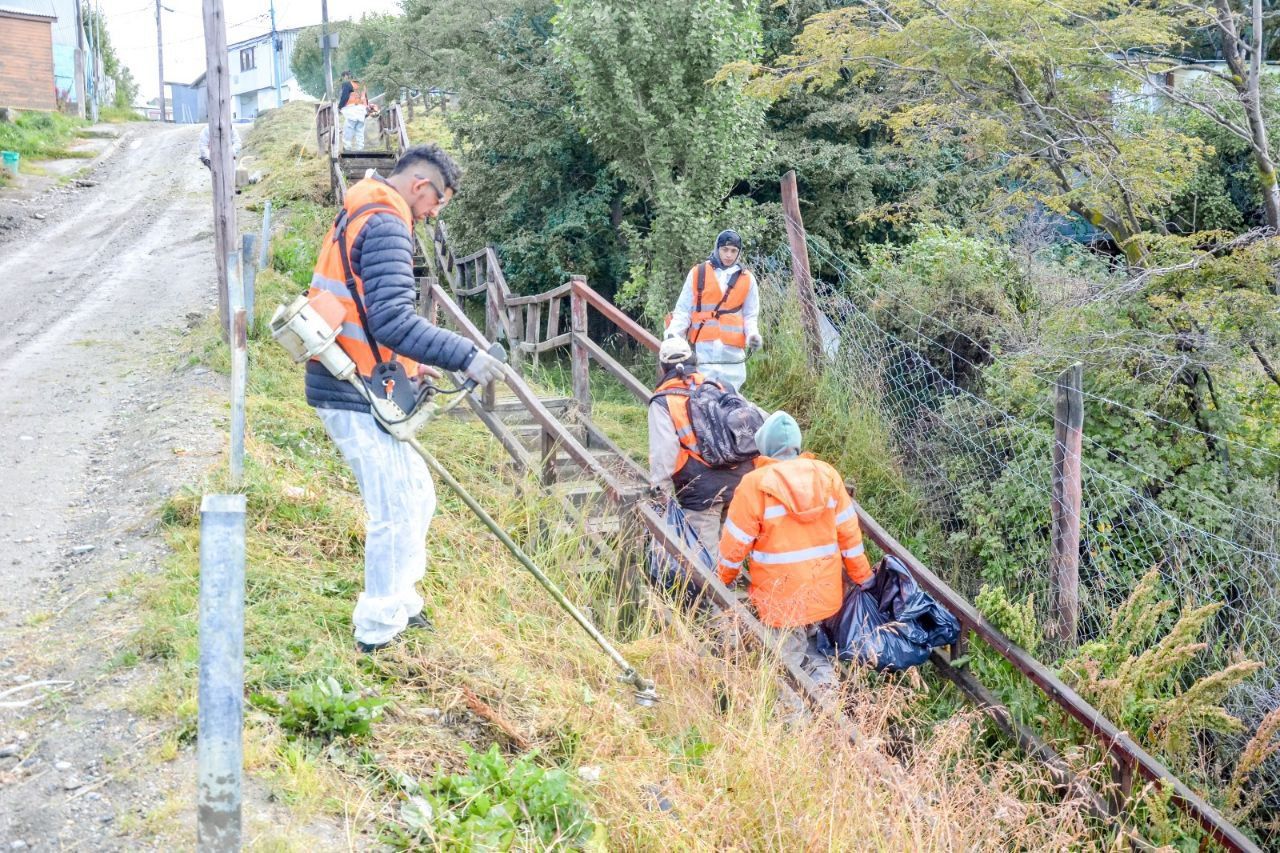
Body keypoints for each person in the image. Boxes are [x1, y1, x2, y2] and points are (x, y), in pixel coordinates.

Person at [305, 144, 505, 653]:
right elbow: (393, 319)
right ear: (420, 185)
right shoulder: (389, 224)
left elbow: (376, 315)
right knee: (394, 507)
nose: (436, 212)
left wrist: (420, 363)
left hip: (359, 374)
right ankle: (378, 630)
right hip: (352, 384)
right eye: (438, 200)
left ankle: (401, 600)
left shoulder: (362, 205)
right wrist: (468, 355)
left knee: (417, 493)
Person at [716, 411, 874, 690]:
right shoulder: (828, 476)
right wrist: (863, 579)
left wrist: (723, 579)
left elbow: (734, 545)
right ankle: (827, 705)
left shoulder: (755, 484)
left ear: (764, 447)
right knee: (817, 650)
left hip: (780, 599)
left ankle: (794, 722)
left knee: (783, 663)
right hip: (824, 593)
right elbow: (850, 537)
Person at [648, 337, 756, 565]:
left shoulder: (663, 401)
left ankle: (711, 600)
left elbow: (663, 453)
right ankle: (733, 596)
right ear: (694, 361)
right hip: (742, 480)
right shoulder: (720, 386)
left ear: (661, 368)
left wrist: (662, 494)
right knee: (730, 557)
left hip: (702, 491)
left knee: (704, 562)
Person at [665, 229, 761, 391]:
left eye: (733, 251)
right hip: (704, 350)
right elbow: (683, 310)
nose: (728, 255)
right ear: (717, 248)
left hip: (732, 354)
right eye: (725, 250)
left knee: (730, 395)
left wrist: (752, 335)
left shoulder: (747, 279)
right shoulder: (698, 273)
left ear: (739, 253)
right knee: (703, 392)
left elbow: (750, 315)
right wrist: (674, 335)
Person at [339, 71, 370, 150]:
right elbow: (366, 99)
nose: (344, 79)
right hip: (361, 110)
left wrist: (339, 107)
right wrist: (366, 110)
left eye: (344, 77)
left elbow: (345, 97)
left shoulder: (347, 84)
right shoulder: (362, 86)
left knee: (348, 129)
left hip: (352, 110)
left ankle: (347, 148)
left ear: (347, 76)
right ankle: (360, 148)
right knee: (359, 130)